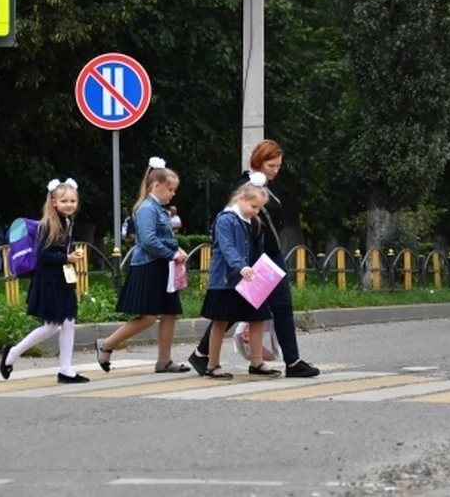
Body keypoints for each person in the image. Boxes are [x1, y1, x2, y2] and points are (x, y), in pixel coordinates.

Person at [188, 139, 320, 378]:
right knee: (230, 310)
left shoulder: (269, 186)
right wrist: (242, 264)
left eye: (279, 165)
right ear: (258, 162)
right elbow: (236, 233)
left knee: (275, 307)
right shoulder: (246, 188)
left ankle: (290, 361)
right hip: (251, 260)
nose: (275, 170)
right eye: (271, 165)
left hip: (268, 255)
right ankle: (204, 355)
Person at [95, 157, 190, 373]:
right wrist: (171, 254)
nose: (173, 194)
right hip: (148, 266)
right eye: (170, 189)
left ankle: (164, 360)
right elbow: (147, 240)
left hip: (162, 266)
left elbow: (162, 237)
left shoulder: (159, 209)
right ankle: (107, 343)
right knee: (147, 317)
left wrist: (177, 249)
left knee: (170, 312)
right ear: (156, 186)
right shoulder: (148, 208)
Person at [0, 179, 88, 383]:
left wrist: (69, 254)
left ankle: (65, 370)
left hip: (62, 280)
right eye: (64, 200)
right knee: (52, 326)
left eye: (73, 200)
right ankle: (12, 353)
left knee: (68, 323)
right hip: (49, 282)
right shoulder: (48, 224)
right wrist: (67, 258)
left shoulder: (67, 222)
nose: (69, 204)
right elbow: (43, 256)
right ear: (54, 202)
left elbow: (57, 252)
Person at [200, 182, 280, 379]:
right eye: (253, 206)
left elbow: (257, 250)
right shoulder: (226, 219)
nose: (256, 211)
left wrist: (263, 271)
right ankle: (212, 364)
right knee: (220, 320)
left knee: (257, 317)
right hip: (227, 279)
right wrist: (240, 266)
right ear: (240, 198)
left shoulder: (253, 222)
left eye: (259, 208)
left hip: (250, 279)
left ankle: (256, 361)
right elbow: (227, 247)